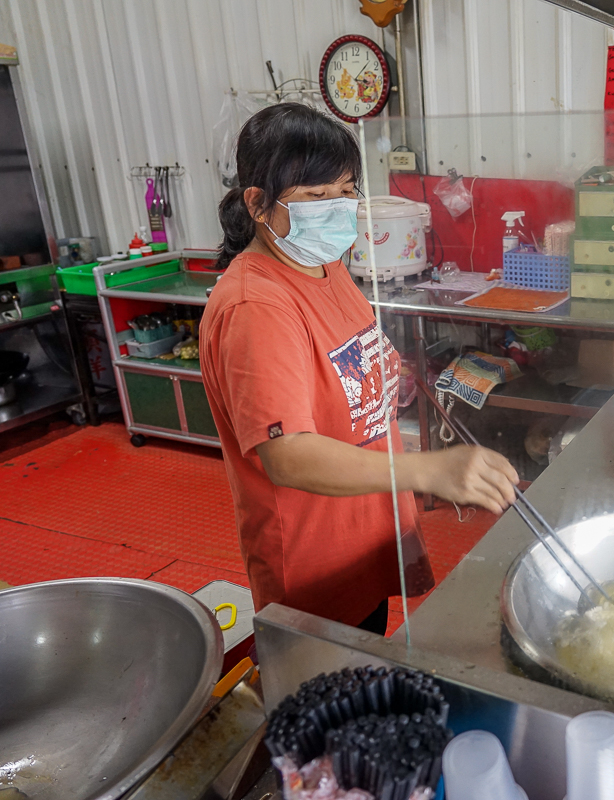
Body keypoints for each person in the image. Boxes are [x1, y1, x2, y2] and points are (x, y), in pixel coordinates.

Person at [201, 103, 519, 634]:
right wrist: (428, 469)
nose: (338, 207)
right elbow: (288, 454)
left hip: (367, 531)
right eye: (315, 196)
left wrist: (383, 372)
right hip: (314, 562)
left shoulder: (324, 265)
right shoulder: (257, 306)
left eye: (346, 189)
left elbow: (340, 358)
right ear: (257, 203)